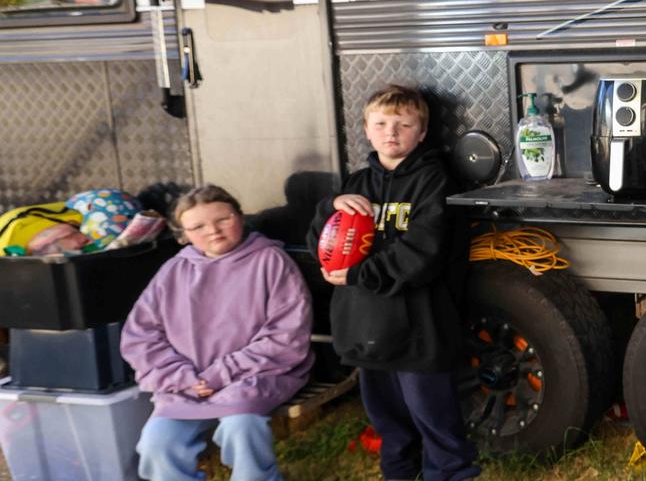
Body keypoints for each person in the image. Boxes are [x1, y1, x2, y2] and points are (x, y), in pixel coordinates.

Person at [308, 84, 479, 481]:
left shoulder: (435, 182)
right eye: (381, 124)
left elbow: (422, 254)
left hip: (420, 334)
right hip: (367, 332)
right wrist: (329, 207)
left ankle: (449, 474)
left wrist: (357, 274)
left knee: (437, 427)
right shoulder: (354, 185)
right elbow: (322, 243)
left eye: (404, 125)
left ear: (421, 133)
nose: (391, 132)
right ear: (366, 129)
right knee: (391, 429)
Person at [122, 185, 313, 481]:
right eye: (197, 226)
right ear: (183, 234)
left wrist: (219, 374)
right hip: (186, 385)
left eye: (222, 219)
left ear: (239, 217)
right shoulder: (174, 270)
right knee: (157, 445)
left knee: (242, 428)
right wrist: (181, 377)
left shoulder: (270, 261)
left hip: (255, 377)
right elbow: (140, 336)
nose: (213, 231)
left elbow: (286, 335)